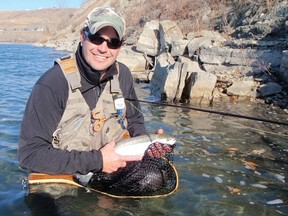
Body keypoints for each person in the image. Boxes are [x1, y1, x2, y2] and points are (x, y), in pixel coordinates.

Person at [18, 6, 168, 177]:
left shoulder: (123, 75)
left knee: (154, 177)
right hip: (67, 171)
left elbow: (135, 121)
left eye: (113, 42)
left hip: (114, 164)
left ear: (120, 47)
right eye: (97, 39)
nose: (104, 49)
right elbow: (29, 155)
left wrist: (146, 143)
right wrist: (98, 161)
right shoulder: (53, 83)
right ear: (83, 37)